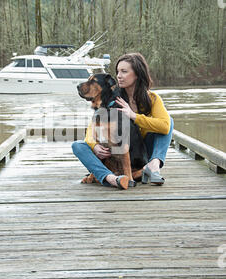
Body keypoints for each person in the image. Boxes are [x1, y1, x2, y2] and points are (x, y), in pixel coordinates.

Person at [72, 52, 174, 189]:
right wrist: (94, 146)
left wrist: (134, 116)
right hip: (116, 152)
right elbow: (92, 128)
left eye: (124, 71)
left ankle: (153, 165)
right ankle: (110, 177)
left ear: (137, 74)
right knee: (78, 145)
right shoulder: (111, 98)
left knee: (168, 122)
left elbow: (165, 127)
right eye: (118, 71)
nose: (119, 75)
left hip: (141, 152)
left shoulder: (152, 99)